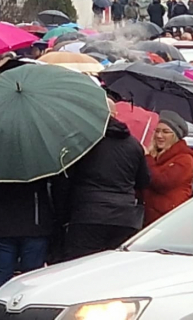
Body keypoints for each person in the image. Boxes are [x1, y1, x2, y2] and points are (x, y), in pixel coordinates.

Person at [63, 103, 150, 261]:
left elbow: (68, 178)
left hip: (89, 214)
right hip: (125, 216)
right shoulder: (134, 145)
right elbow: (144, 181)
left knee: (81, 267)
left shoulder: (86, 143)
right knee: (114, 268)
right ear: (115, 114)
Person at [0, 178, 55, 288]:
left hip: (1, 226)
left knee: (1, 279)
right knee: (33, 278)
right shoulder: (39, 166)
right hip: (35, 226)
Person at [142, 111, 193, 226]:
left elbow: (161, 182)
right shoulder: (155, 155)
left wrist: (147, 158)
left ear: (175, 135)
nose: (159, 135)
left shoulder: (185, 159)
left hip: (169, 222)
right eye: (157, 131)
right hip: (150, 220)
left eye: (165, 132)